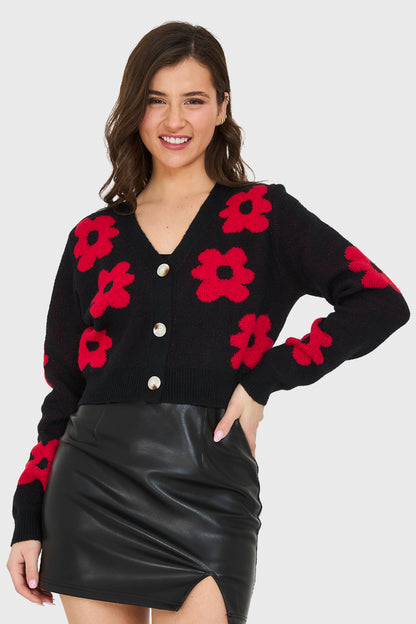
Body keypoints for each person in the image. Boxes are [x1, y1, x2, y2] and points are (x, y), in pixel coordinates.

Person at [6, 20, 410, 624]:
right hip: (90, 488)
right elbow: (63, 390)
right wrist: (27, 516)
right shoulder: (92, 237)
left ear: (222, 107)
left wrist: (264, 379)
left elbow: (379, 301)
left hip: (210, 487)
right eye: (155, 100)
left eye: (193, 100)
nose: (174, 120)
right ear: (134, 110)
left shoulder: (264, 215)